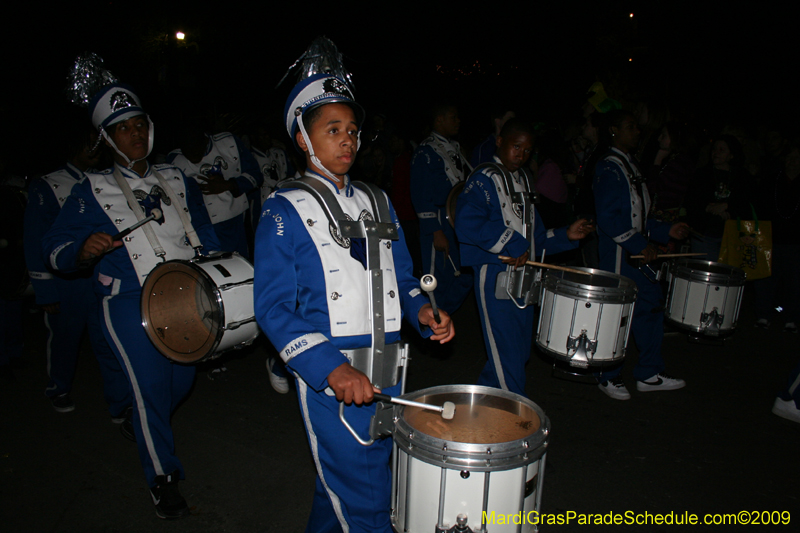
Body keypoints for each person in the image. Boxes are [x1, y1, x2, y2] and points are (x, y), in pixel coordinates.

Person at [254, 72, 454, 533]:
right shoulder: (282, 209)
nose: (347, 141)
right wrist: (331, 368)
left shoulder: (378, 201)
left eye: (352, 131)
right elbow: (272, 307)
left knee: (343, 490)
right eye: (333, 130)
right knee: (370, 509)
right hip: (333, 380)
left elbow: (402, 278)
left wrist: (423, 313)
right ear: (303, 140)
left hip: (388, 369)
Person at [43, 80, 220, 519]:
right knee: (152, 388)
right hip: (127, 299)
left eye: (140, 124)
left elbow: (204, 231)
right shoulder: (91, 188)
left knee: (182, 382)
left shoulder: (177, 178)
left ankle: (132, 411)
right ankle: (163, 480)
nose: (135, 133)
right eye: (123, 128)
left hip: (183, 292)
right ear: (106, 138)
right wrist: (82, 250)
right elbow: (55, 247)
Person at [455, 119, 592, 397]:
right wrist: (511, 242)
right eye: (516, 146)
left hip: (525, 280)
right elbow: (466, 221)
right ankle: (516, 414)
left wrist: (567, 234)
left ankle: (480, 405)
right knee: (507, 352)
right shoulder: (483, 178)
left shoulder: (523, 181)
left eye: (528, 150)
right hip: (496, 276)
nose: (521, 154)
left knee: (515, 351)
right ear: (500, 142)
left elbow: (536, 240)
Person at [24, 121, 129, 417]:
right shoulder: (49, 184)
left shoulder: (107, 181)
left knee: (108, 341)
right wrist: (44, 291)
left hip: (101, 278)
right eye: (88, 143)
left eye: (99, 143)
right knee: (65, 339)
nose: (95, 149)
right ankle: (58, 387)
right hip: (66, 282)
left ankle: (119, 402)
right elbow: (35, 241)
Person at [592, 110, 689, 400]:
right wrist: (638, 245)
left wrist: (667, 231)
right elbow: (609, 219)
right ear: (613, 131)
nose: (636, 132)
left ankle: (648, 373)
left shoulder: (629, 165)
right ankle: (607, 375)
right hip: (621, 256)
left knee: (649, 309)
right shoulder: (608, 167)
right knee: (617, 315)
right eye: (630, 127)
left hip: (637, 255)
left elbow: (639, 217)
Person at [410, 103, 473, 314]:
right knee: (438, 281)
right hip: (438, 224)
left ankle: (443, 316)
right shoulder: (425, 152)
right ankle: (433, 322)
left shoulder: (455, 149)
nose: (458, 121)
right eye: (453, 116)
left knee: (465, 275)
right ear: (439, 120)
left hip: (458, 222)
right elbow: (420, 195)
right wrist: (435, 231)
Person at [166, 125, 262, 260]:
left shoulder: (228, 144)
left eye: (194, 147)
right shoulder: (175, 161)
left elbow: (256, 176)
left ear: (204, 140)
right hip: (204, 228)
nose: (191, 153)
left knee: (240, 262)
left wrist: (229, 185)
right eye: (186, 149)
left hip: (236, 223)